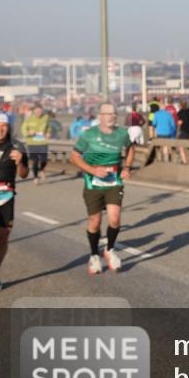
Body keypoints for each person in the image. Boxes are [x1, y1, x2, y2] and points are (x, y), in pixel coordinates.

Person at [69, 103, 135, 275]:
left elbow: (130, 148)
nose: (112, 116)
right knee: (95, 222)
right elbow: (74, 156)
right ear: (100, 116)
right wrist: (92, 170)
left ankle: (110, 249)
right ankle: (93, 255)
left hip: (114, 181)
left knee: (114, 219)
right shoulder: (89, 135)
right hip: (93, 182)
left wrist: (127, 167)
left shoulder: (122, 133)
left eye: (114, 113)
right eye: (107, 114)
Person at [0, 114, 29, 292]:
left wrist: (19, 163)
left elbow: (24, 174)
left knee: (3, 237)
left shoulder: (17, 146)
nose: (0, 129)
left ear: (8, 128)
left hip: (6, 196)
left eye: (4, 126)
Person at [21, 104, 50, 184]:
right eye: (37, 111)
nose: (39, 112)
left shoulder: (46, 117)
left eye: (40, 111)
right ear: (34, 111)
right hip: (32, 143)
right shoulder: (29, 119)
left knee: (44, 160)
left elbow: (48, 127)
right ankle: (35, 177)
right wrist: (28, 133)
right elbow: (23, 129)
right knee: (35, 161)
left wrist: (48, 133)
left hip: (43, 142)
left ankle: (41, 169)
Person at [176, 100, 189, 165]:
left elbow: (180, 122)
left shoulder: (180, 112)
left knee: (181, 146)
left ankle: (184, 161)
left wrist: (178, 126)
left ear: (180, 106)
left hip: (184, 130)